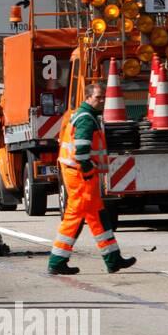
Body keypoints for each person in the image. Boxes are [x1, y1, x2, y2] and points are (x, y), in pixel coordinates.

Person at [49, 82, 137, 275]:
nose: (102, 100)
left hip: (78, 174)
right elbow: (81, 152)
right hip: (81, 175)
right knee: (75, 217)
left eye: (103, 96)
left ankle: (113, 259)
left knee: (97, 216)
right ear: (88, 97)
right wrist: (89, 172)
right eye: (98, 97)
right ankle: (57, 261)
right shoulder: (86, 119)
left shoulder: (86, 115)